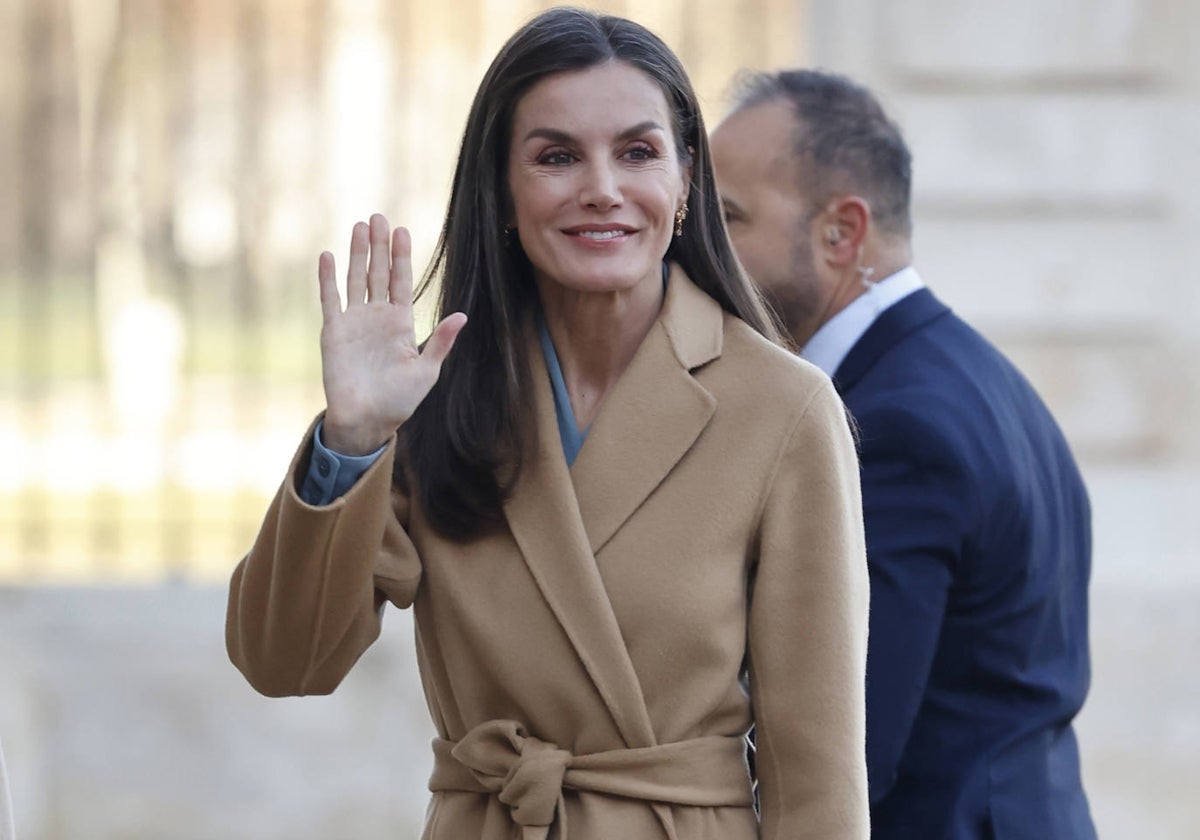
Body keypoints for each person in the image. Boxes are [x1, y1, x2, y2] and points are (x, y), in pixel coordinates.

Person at [226, 10, 870, 839]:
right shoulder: (432, 395)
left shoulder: (784, 408)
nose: (602, 186)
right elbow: (286, 662)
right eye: (557, 156)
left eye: (637, 152)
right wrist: (352, 440)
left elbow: (815, 775)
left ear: (683, 185)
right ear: (501, 189)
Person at [710, 69, 1097, 839]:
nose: (701, 252)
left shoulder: (888, 427)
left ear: (840, 233)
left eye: (728, 219)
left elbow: (846, 746)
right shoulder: (979, 381)